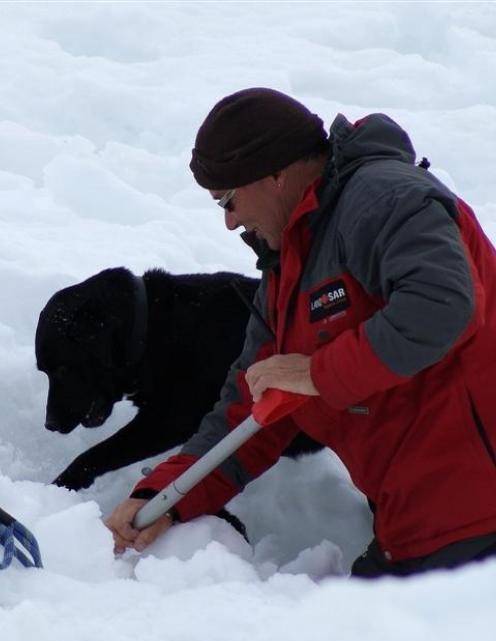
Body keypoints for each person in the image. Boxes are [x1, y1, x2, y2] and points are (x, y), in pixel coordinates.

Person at [105, 87, 496, 578]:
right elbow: (254, 406)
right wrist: (163, 496)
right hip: (415, 522)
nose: (229, 222)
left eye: (227, 199)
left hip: (475, 512)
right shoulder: (290, 265)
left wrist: (316, 372)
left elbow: (442, 307)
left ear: (276, 174)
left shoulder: (386, 199)